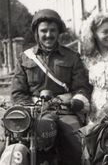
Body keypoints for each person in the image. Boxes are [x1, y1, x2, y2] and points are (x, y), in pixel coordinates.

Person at [11, 9, 92, 165]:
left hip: (63, 110)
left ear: (59, 32)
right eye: (44, 31)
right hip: (34, 111)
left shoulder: (72, 57)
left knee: (76, 140)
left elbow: (81, 87)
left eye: (52, 30)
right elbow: (17, 92)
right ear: (36, 32)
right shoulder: (25, 57)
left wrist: (76, 101)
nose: (48, 35)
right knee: (15, 145)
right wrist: (30, 107)